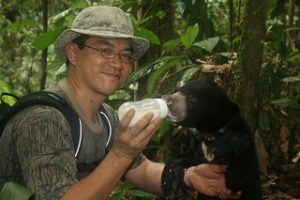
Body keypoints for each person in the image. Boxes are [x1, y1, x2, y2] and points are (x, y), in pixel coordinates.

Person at [0, 5, 241, 200]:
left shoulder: (106, 116)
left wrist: (189, 176)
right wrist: (121, 153)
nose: (117, 63)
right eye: (105, 50)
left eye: (125, 55)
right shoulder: (44, 119)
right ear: (73, 54)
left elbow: (141, 170)